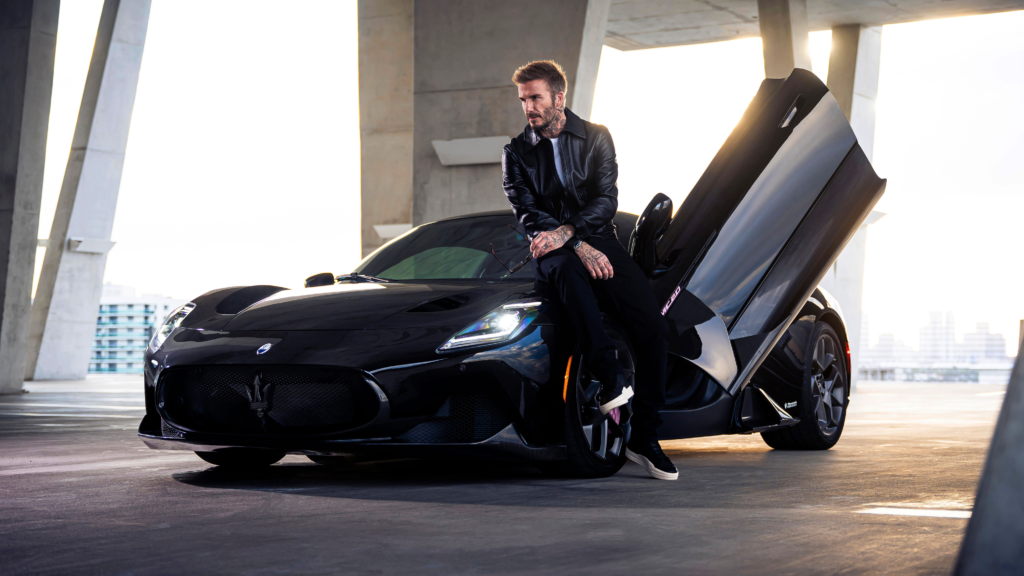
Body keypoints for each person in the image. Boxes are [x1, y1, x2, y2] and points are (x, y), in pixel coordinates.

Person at [501, 60, 677, 481]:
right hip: (551, 248)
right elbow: (527, 212)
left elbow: (606, 200)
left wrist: (575, 234)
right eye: (523, 99)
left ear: (559, 97)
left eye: (536, 98)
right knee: (567, 271)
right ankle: (609, 375)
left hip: (600, 238)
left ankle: (645, 435)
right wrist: (572, 243)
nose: (528, 107)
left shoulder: (596, 136)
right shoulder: (515, 153)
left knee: (654, 328)